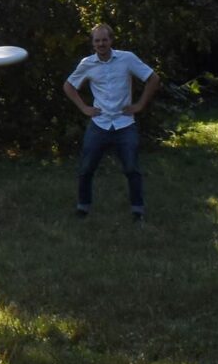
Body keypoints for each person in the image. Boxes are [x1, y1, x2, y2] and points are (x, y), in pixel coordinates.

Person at [64, 23, 159, 220]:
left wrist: (140, 105)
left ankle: (137, 210)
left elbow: (153, 78)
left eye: (104, 40)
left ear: (111, 40)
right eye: (97, 40)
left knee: (132, 168)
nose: (101, 44)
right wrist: (84, 108)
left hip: (125, 124)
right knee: (86, 168)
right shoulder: (87, 64)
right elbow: (68, 86)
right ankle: (83, 207)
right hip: (99, 124)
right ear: (92, 43)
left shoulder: (127, 58)